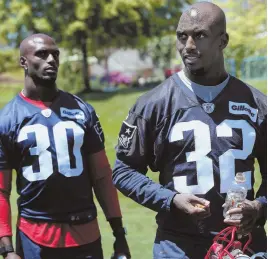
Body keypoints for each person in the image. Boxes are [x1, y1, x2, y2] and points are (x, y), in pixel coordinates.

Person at [112, 2, 266, 258]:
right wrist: (169, 199)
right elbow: (123, 170)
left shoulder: (258, 104)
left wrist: (261, 206)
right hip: (178, 246)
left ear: (222, 41)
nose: (189, 46)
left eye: (200, 35)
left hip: (244, 245)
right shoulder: (153, 105)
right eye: (182, 36)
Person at [0, 34, 130, 259]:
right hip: (35, 238)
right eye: (42, 54)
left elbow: (101, 176)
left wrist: (119, 234)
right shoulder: (7, 119)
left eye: (55, 54)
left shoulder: (83, 110)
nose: (51, 59)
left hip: (85, 235)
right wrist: (7, 249)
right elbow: (1, 189)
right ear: (24, 62)